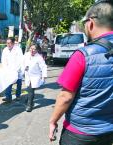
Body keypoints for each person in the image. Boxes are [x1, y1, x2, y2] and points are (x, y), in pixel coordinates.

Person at [49, 1, 113, 145]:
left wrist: (53, 121)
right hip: (109, 131)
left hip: (79, 133)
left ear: (90, 23)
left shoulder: (83, 55)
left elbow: (65, 96)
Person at [22, 43, 47, 112]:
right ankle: (28, 99)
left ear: (37, 50)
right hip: (27, 75)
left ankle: (29, 105)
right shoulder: (26, 54)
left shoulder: (39, 57)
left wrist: (43, 77)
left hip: (35, 76)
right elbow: (23, 62)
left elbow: (44, 67)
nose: (32, 50)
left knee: (31, 89)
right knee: (29, 89)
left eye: (34, 49)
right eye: (31, 48)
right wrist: (24, 69)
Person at [1, 37, 24, 103]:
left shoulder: (18, 49)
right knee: (8, 83)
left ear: (13, 43)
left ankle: (18, 95)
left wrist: (15, 70)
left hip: (18, 69)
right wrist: (6, 69)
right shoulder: (5, 49)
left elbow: (20, 60)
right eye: (7, 43)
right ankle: (8, 97)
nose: (8, 44)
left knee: (19, 83)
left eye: (9, 43)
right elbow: (3, 60)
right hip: (8, 70)